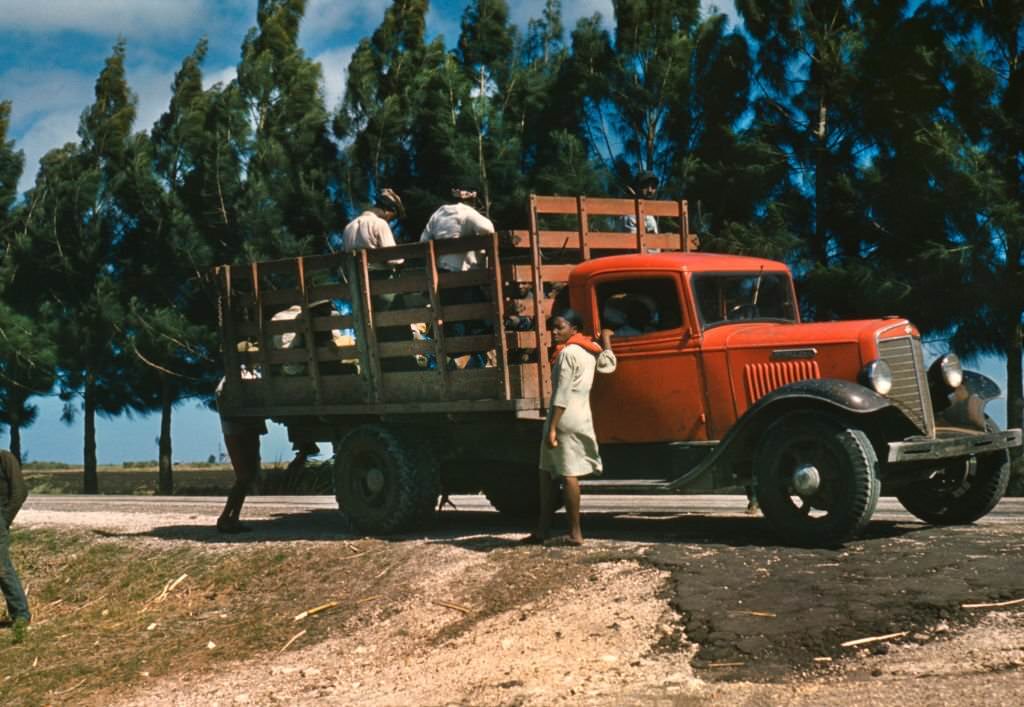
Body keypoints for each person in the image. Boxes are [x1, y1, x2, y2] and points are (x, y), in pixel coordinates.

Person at [522, 310, 616, 546]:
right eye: (553, 328)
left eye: (559, 327)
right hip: (580, 414)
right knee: (547, 471)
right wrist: (606, 339)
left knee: (566, 473)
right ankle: (542, 530)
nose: (554, 332)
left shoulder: (567, 354)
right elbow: (609, 364)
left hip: (562, 417)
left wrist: (552, 427)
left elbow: (561, 393)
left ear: (574, 329)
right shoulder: (589, 351)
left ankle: (575, 533)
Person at [420, 184, 497, 368]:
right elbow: (488, 229)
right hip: (464, 280)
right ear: (471, 197)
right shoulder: (467, 213)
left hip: (442, 279)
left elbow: (424, 240)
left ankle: (451, 365)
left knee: (451, 324)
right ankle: (472, 366)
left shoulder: (438, 214)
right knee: (480, 323)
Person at [1, 450, 30, 638]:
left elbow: (20, 492)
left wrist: (4, 519)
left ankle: (21, 615)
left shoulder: (4, 458)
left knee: (2, 569)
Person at [623, 170, 659, 235]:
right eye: (645, 186)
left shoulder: (648, 214)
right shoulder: (630, 214)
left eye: (653, 187)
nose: (650, 190)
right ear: (636, 188)